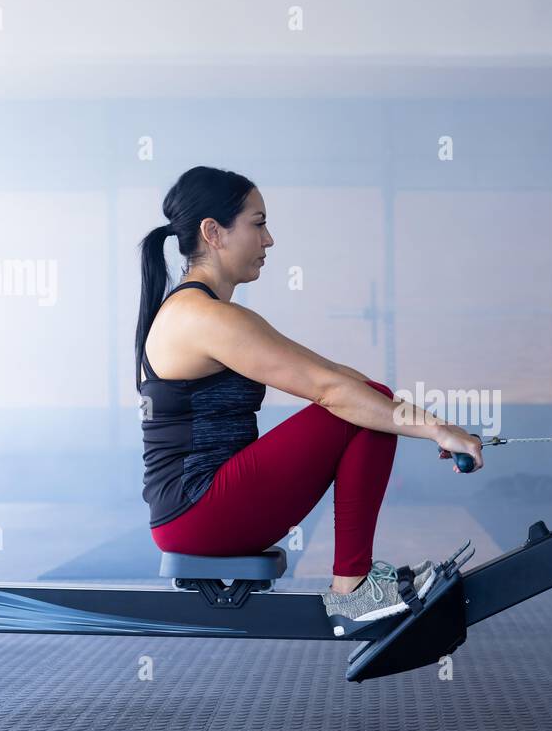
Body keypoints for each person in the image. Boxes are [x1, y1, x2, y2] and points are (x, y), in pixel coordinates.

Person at [135, 166, 484, 624]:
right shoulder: (202, 317)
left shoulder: (210, 313)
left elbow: (334, 375)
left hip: (197, 510)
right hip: (197, 511)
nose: (269, 240)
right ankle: (353, 589)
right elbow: (330, 390)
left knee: (367, 401)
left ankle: (354, 583)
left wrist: (428, 426)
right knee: (361, 406)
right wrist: (438, 431)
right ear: (213, 232)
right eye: (258, 224)